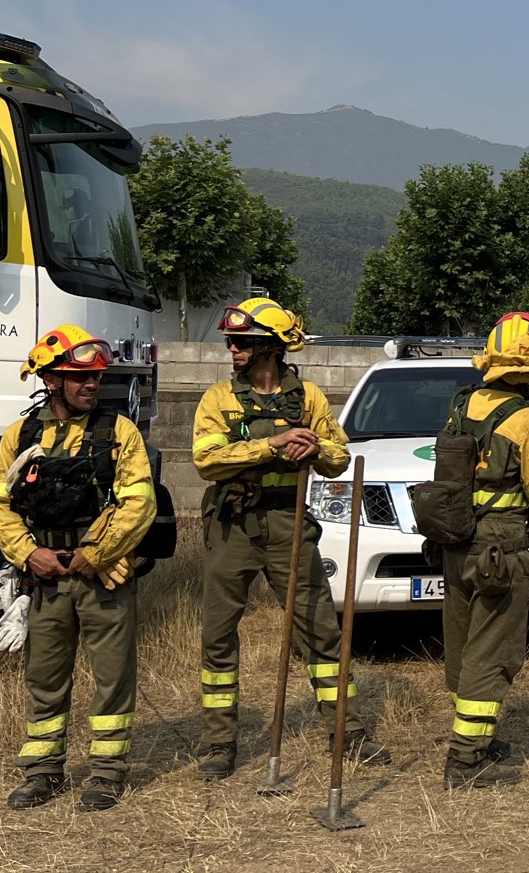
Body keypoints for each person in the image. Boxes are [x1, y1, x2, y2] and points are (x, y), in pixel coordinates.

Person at [191, 297, 388, 780]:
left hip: (290, 523)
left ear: (272, 348)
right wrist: (273, 444)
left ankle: (349, 734)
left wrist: (316, 445)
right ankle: (220, 743)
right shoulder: (219, 398)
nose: (233, 349)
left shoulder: (311, 399)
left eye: (243, 342)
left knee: (320, 631)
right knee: (218, 636)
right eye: (231, 342)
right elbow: (206, 460)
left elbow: (340, 457)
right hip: (233, 525)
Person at [0, 326, 157, 812]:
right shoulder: (19, 436)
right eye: (78, 377)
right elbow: (1, 507)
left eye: (96, 377)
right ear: (50, 381)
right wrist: (28, 555)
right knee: (44, 677)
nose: (91, 385)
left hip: (99, 576)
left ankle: (106, 773)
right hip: (45, 577)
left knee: (112, 675)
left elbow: (138, 504)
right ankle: (43, 772)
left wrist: (97, 554)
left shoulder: (118, 431)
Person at [436, 312, 529, 788]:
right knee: (492, 652)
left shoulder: (461, 407)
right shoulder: (527, 420)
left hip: (455, 544)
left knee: (465, 642)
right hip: (499, 547)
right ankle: (466, 759)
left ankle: (478, 737)